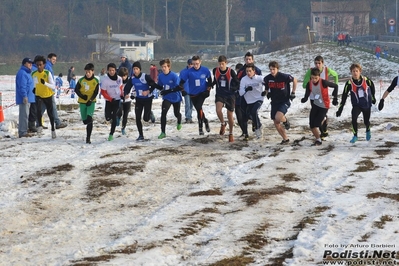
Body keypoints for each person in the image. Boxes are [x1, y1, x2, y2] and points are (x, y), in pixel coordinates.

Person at [336, 63, 376, 143]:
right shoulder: (349, 83)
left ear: (360, 71)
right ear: (351, 72)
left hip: (366, 104)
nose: (355, 73)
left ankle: (368, 129)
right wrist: (340, 108)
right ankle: (355, 136)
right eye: (353, 71)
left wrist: (373, 97)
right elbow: (344, 96)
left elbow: (372, 86)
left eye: (356, 71)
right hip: (356, 105)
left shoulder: (366, 80)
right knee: (354, 118)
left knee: (366, 121)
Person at [302, 55, 339, 138]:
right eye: (316, 63)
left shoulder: (326, 70)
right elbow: (305, 82)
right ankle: (322, 131)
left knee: (321, 115)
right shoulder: (311, 71)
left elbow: (336, 75)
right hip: (313, 96)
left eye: (319, 63)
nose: (317, 65)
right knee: (316, 115)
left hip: (323, 96)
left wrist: (335, 85)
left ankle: (323, 130)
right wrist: (306, 85)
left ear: (323, 63)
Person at [125, 61, 162, 141]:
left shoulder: (145, 76)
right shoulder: (132, 78)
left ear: (140, 69)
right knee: (137, 117)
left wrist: (148, 91)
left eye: (137, 69)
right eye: (134, 69)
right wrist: (126, 93)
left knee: (145, 119)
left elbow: (153, 85)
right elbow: (127, 87)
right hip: (139, 100)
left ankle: (150, 114)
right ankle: (141, 135)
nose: (135, 70)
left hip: (148, 99)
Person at [264, 60, 297, 144]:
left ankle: (285, 121)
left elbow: (295, 80)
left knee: (278, 117)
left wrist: (293, 92)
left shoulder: (284, 76)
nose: (272, 71)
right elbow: (267, 87)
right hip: (274, 101)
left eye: (273, 69)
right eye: (270, 69)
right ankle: (285, 139)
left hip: (284, 100)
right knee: (276, 122)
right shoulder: (268, 78)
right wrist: (266, 92)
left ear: (277, 69)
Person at [178, 55, 213, 135]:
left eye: (197, 63)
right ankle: (205, 121)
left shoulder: (205, 70)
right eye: (193, 64)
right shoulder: (188, 72)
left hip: (202, 92)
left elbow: (210, 80)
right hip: (193, 94)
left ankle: (200, 128)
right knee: (198, 109)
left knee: (198, 107)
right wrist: (182, 90)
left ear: (200, 62)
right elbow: (181, 83)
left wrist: (208, 90)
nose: (195, 66)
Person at [212, 55, 239, 142]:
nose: (221, 66)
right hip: (220, 94)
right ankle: (223, 123)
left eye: (222, 64)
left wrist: (234, 88)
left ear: (226, 63)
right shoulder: (215, 70)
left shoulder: (231, 72)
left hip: (230, 95)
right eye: (219, 64)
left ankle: (231, 133)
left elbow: (237, 82)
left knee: (229, 115)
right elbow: (215, 80)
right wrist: (210, 85)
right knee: (218, 110)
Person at [236, 52, 262, 136]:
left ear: (253, 60)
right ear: (244, 60)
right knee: (243, 114)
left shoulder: (257, 70)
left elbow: (262, 82)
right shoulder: (241, 71)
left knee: (253, 112)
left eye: (250, 59)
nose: (248, 61)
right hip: (244, 95)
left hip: (255, 96)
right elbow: (237, 82)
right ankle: (245, 132)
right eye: (246, 59)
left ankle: (257, 125)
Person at [156, 58, 183, 139]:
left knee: (176, 113)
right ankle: (163, 132)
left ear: (169, 67)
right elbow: (160, 86)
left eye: (165, 67)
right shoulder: (160, 76)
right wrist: (153, 85)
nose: (163, 68)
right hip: (167, 98)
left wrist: (167, 91)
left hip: (176, 97)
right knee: (163, 113)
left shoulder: (174, 76)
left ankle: (179, 119)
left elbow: (179, 88)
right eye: (162, 67)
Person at [31, 55, 57, 139]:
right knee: (38, 111)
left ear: (44, 65)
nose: (39, 66)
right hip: (39, 95)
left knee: (50, 113)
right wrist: (34, 89)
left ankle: (53, 129)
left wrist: (45, 83)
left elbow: (53, 86)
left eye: (40, 65)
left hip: (48, 95)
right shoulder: (34, 74)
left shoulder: (47, 73)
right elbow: (34, 83)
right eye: (37, 65)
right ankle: (39, 126)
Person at [74, 63, 99, 144]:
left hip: (91, 102)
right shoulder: (81, 80)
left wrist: (91, 100)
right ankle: (87, 120)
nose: (87, 74)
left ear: (93, 71)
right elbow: (76, 90)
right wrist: (82, 96)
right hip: (82, 102)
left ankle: (88, 138)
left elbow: (96, 92)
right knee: (85, 121)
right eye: (86, 72)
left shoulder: (96, 81)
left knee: (89, 119)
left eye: (89, 72)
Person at [238, 63, 264, 141]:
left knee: (254, 111)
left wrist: (266, 91)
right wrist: (246, 90)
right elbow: (241, 92)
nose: (248, 73)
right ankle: (259, 125)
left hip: (259, 99)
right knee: (252, 114)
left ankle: (258, 130)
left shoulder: (259, 78)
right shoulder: (244, 79)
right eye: (247, 71)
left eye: (250, 71)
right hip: (249, 101)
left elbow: (267, 83)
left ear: (254, 71)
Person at [101, 63, 123, 141]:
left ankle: (111, 134)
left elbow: (121, 88)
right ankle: (112, 118)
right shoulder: (105, 80)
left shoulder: (119, 79)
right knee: (108, 117)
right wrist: (110, 99)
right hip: (109, 100)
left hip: (117, 100)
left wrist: (122, 95)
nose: (111, 72)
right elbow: (103, 92)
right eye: (110, 70)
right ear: (108, 71)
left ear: (115, 70)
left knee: (114, 117)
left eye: (113, 70)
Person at [44, 53, 67, 129]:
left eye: (55, 60)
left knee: (42, 108)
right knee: (53, 107)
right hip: (48, 90)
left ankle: (36, 123)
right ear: (49, 59)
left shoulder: (48, 66)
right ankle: (57, 122)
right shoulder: (47, 67)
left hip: (47, 90)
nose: (54, 61)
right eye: (53, 59)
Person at [16, 57, 35, 138]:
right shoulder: (22, 73)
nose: (30, 64)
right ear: (24, 64)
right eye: (28, 63)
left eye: (31, 63)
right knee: (24, 115)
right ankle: (22, 132)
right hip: (25, 98)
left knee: (26, 115)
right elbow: (22, 86)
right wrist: (24, 96)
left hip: (29, 97)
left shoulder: (27, 73)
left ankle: (24, 130)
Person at [116, 67, 133, 135]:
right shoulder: (117, 81)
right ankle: (118, 118)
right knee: (119, 111)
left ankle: (123, 128)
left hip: (128, 100)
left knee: (125, 115)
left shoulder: (129, 81)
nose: (123, 78)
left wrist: (129, 94)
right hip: (120, 99)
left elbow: (132, 88)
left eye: (124, 76)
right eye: (121, 76)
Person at [181, 59, 194, 123]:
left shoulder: (195, 71)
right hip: (186, 90)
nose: (190, 65)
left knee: (191, 105)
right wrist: (182, 90)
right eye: (189, 64)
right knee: (187, 104)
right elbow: (180, 81)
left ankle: (190, 116)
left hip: (193, 91)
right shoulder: (183, 72)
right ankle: (187, 117)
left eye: (192, 64)